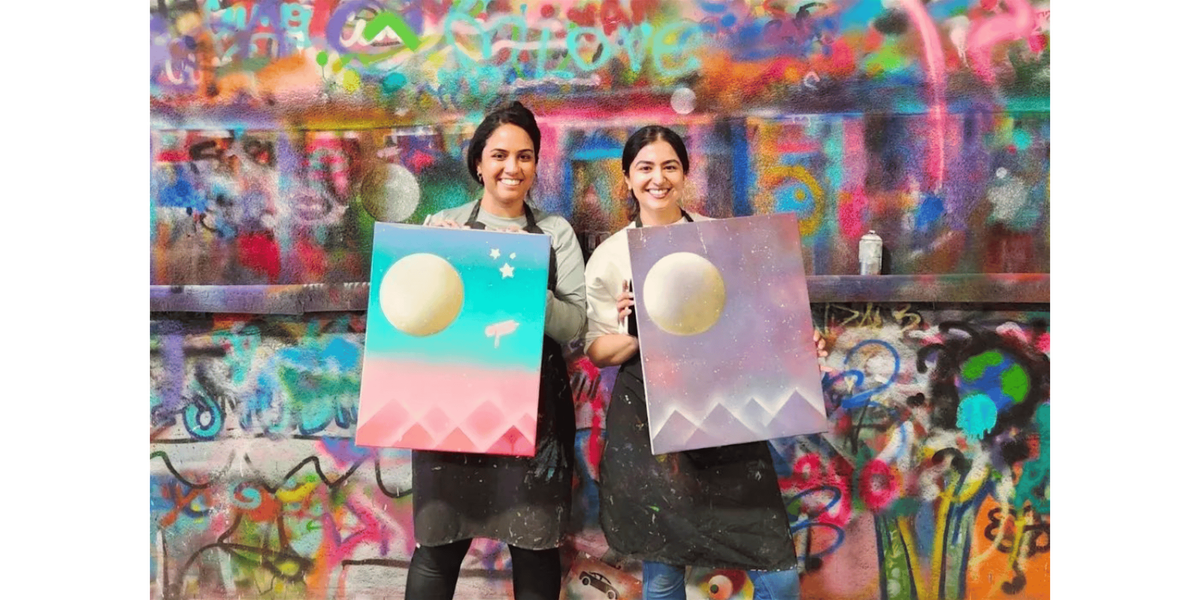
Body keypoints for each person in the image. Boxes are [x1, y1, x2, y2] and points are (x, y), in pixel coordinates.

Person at [583, 125, 807, 600]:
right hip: (651, 421)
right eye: (645, 168)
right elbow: (597, 349)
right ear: (627, 177)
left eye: (669, 166)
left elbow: (755, 323)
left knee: (779, 576)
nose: (657, 178)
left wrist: (797, 347)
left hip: (725, 417)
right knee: (664, 574)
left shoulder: (718, 240)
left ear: (685, 174)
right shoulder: (610, 255)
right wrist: (640, 332)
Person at [405, 101, 587, 600]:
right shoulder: (441, 224)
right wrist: (435, 256)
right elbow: (413, 318)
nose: (513, 167)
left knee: (535, 546)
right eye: (500, 155)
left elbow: (574, 325)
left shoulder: (555, 233)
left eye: (525, 156)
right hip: (451, 409)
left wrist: (523, 282)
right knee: (438, 544)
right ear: (479, 163)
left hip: (535, 415)